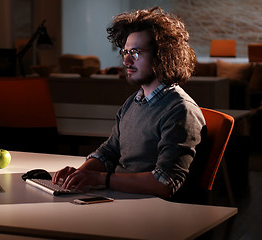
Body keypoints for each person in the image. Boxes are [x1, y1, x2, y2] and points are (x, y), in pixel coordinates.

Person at [53, 7, 206, 199]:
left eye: (135, 52)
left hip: (149, 213)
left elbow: (164, 183)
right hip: (118, 198)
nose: (125, 61)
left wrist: (100, 179)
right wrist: (79, 174)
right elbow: (110, 151)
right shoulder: (134, 101)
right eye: (125, 52)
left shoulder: (181, 110)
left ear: (162, 55)